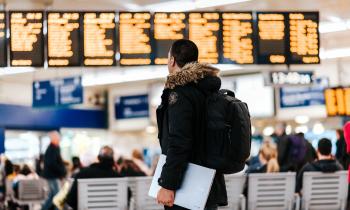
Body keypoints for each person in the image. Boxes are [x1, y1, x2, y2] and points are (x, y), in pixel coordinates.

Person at [156, 39, 225, 210]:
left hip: (187, 186)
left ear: (172, 61)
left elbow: (179, 141)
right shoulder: (206, 90)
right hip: (208, 181)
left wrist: (168, 184)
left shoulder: (180, 93)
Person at [42, 131, 67, 210]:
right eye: (58, 137)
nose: (59, 139)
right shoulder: (51, 149)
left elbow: (56, 161)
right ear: (53, 138)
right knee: (57, 196)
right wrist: (61, 171)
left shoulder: (55, 148)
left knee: (53, 195)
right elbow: (51, 163)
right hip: (52, 176)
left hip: (53, 176)